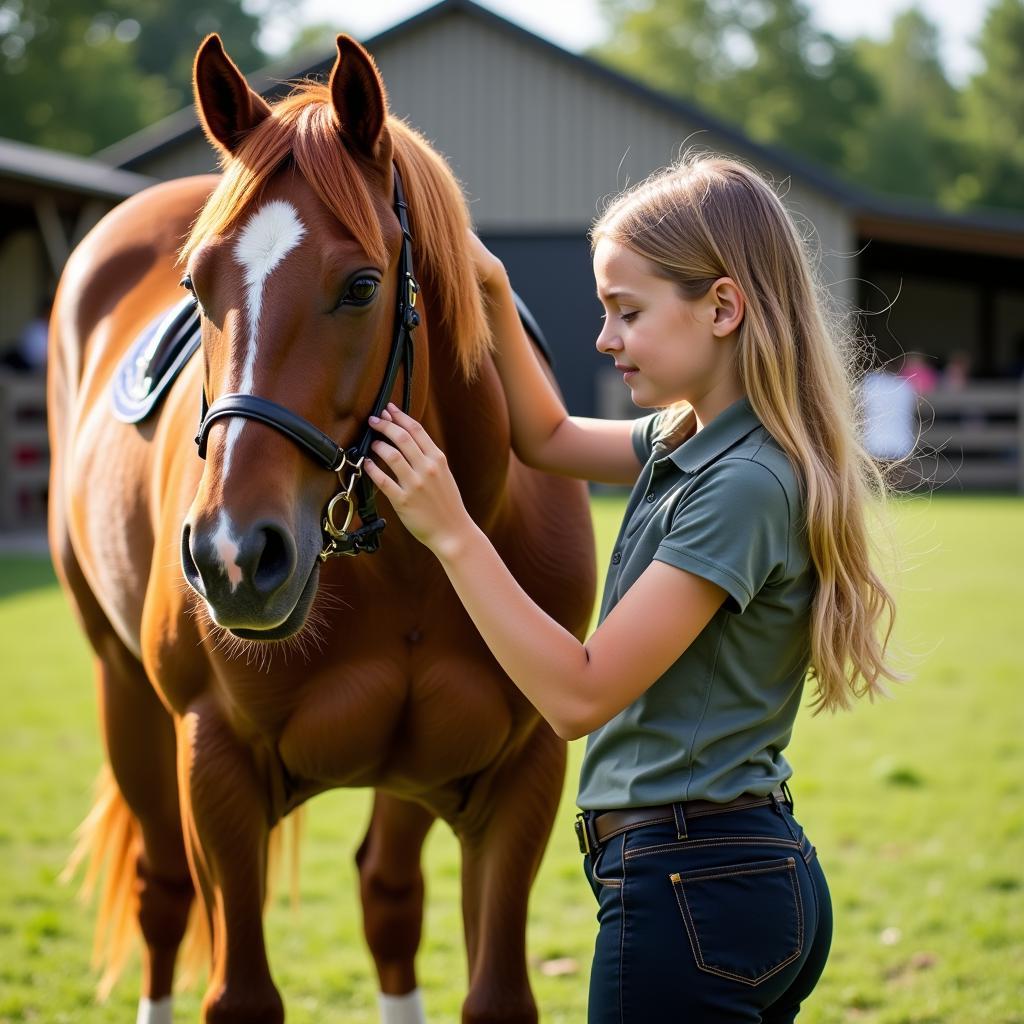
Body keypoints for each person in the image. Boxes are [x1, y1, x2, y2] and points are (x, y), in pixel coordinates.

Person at [362, 154, 901, 1022]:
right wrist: (493, 290)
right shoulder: (695, 436)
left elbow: (578, 695)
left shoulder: (742, 484)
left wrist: (451, 531)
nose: (605, 339)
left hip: (691, 896)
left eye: (628, 312)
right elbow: (544, 437)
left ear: (723, 307)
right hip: (735, 881)